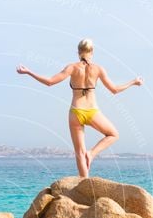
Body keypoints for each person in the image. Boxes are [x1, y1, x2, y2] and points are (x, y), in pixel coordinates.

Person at [16, 38, 143, 177]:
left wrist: (29, 72)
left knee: (79, 153)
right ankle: (92, 153)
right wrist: (133, 82)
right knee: (113, 134)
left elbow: (50, 82)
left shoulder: (72, 67)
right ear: (92, 52)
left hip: (75, 112)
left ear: (78, 52)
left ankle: (84, 182)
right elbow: (114, 90)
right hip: (92, 111)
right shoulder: (98, 69)